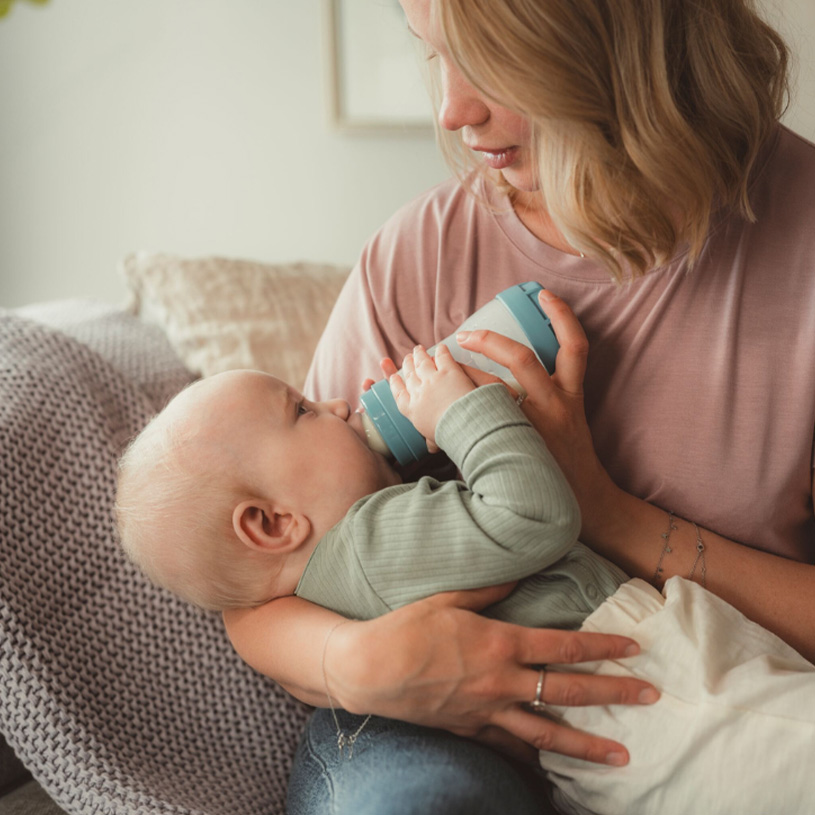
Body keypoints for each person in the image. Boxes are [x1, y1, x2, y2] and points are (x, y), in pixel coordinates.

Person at [222, 0, 815, 813]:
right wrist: (357, 663)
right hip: (438, 732)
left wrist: (602, 508)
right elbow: (259, 580)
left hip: (711, 725)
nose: (452, 112)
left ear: (624, 42)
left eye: (494, 63)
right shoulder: (423, 250)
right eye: (434, 57)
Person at [116, 349, 815, 815]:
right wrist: (460, 411)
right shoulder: (372, 536)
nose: (332, 403)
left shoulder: (345, 575)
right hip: (673, 698)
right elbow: (534, 514)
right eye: (300, 409)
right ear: (271, 525)